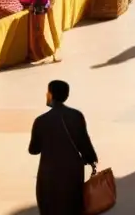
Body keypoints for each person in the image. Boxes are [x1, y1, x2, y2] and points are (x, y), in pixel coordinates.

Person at [28, 80, 98, 215]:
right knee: (73, 206)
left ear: (51, 95)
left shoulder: (41, 120)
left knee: (50, 207)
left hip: (49, 173)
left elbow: (34, 150)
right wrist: (91, 159)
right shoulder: (77, 115)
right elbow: (84, 143)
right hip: (73, 171)